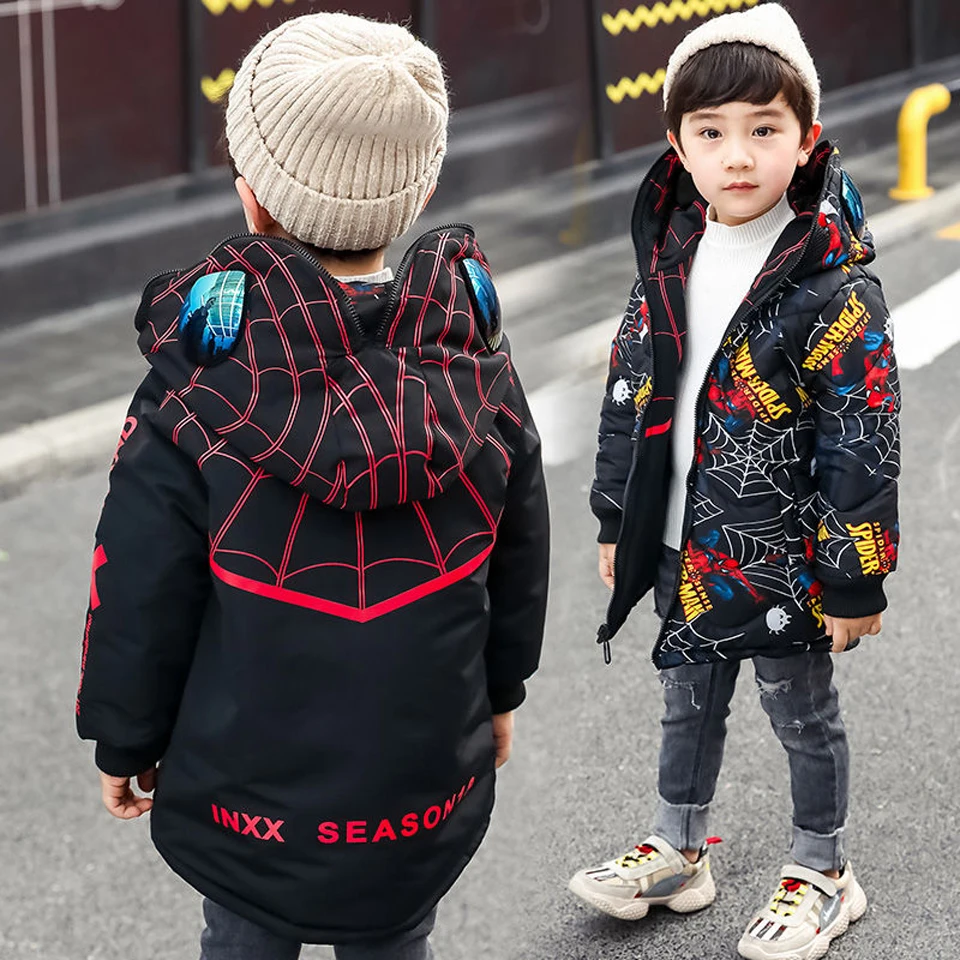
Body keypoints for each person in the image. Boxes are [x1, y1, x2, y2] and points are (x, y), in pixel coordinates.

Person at [75, 13, 549, 960]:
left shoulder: (203, 387)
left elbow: (137, 584)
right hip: (422, 789)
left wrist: (124, 738)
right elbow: (517, 553)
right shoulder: (469, 366)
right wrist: (501, 694)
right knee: (397, 937)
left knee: (243, 939)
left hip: (244, 807)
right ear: (419, 192)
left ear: (251, 201)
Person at [568, 5, 899, 959]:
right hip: (682, 542)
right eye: (711, 134)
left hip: (784, 557)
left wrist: (854, 576)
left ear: (807, 139)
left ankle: (824, 872)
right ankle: (680, 848)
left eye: (764, 129)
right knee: (687, 697)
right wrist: (616, 518)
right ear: (678, 145)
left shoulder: (834, 286)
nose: (739, 156)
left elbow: (862, 437)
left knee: (800, 712)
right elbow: (631, 395)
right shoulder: (668, 259)